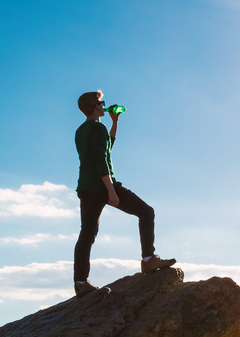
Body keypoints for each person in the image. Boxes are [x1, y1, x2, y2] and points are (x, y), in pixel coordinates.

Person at [73, 90, 175, 297]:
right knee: (146, 212)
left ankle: (80, 283)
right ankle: (148, 259)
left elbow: (105, 149)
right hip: (103, 184)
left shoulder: (82, 130)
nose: (104, 105)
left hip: (86, 188)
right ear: (95, 106)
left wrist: (115, 122)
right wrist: (111, 191)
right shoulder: (98, 129)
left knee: (87, 235)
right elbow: (101, 160)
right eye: (102, 103)